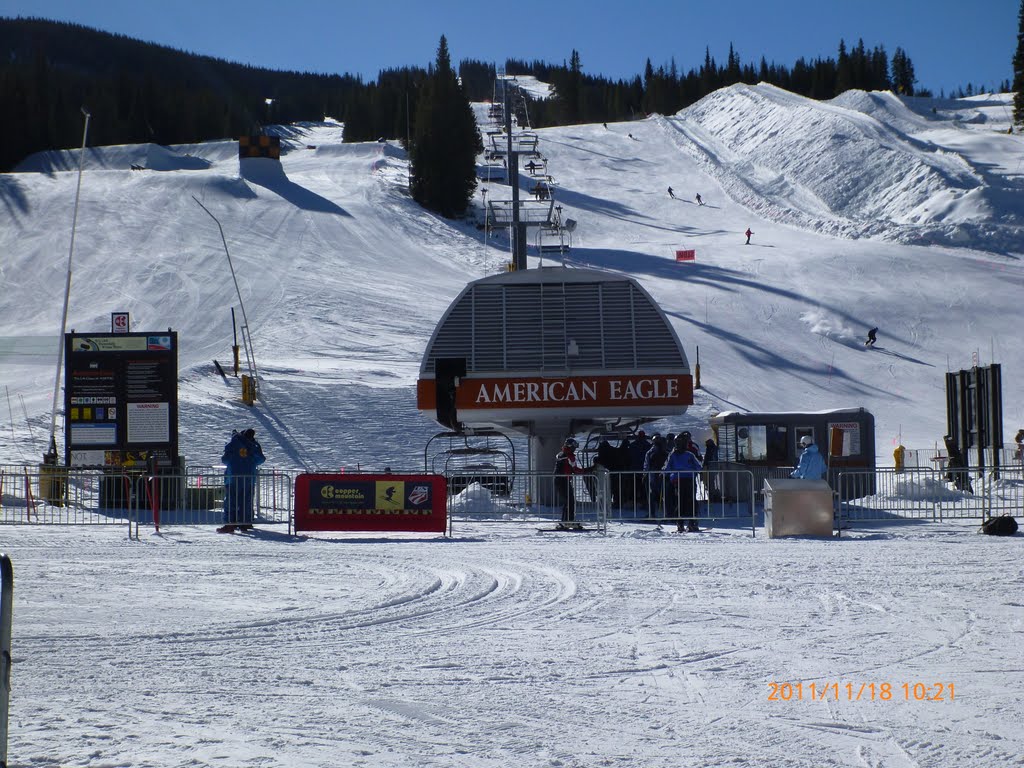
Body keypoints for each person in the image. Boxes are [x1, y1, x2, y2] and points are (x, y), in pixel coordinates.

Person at [218, 428, 266, 533]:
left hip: (233, 477)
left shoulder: (234, 443)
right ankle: (245, 523)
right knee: (246, 501)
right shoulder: (253, 445)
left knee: (231, 501)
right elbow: (261, 459)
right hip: (248, 478)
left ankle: (230, 523)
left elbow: (225, 459)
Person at [663, 432, 703, 531]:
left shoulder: (673, 455)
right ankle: (691, 522)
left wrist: (663, 473)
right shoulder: (689, 454)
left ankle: (680, 523)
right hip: (687, 479)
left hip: (678, 480)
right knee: (690, 501)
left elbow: (666, 467)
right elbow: (699, 466)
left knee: (680, 501)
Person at [554, 437, 585, 529]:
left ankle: (565, 521)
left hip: (559, 480)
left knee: (568, 501)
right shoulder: (569, 456)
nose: (575, 449)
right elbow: (575, 469)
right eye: (574, 447)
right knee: (570, 501)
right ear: (570, 447)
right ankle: (568, 521)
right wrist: (587, 470)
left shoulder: (561, 454)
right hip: (563, 480)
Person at [643, 435, 669, 517]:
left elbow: (646, 464)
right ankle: (664, 514)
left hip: (656, 475)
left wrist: (645, 474)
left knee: (655, 495)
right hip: (658, 475)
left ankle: (654, 513)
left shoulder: (651, 452)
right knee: (661, 495)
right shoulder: (663, 451)